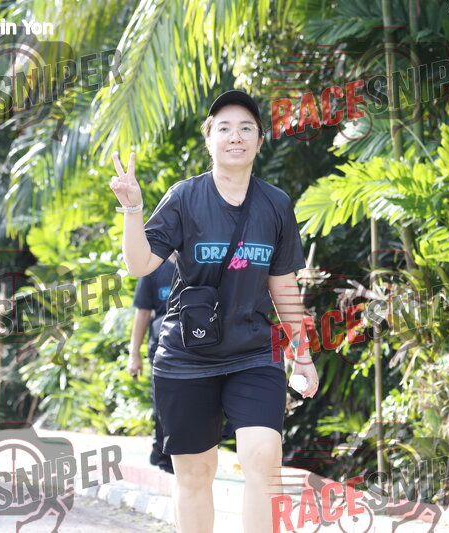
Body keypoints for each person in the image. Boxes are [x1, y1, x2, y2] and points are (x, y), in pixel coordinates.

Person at [109, 89, 319, 533]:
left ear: (259, 140)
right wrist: (132, 210)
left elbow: (283, 286)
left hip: (253, 351)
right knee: (195, 473)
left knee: (264, 456)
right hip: (186, 356)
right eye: (224, 128)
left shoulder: (276, 205)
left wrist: (302, 355)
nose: (235, 136)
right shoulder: (185, 197)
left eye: (246, 128)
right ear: (209, 139)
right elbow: (140, 264)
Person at [128, 254, 176, 474]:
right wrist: (134, 355)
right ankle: (163, 450)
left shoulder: (200, 260)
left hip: (198, 344)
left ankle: (171, 450)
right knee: (163, 401)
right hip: (162, 346)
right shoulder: (153, 268)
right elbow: (143, 312)